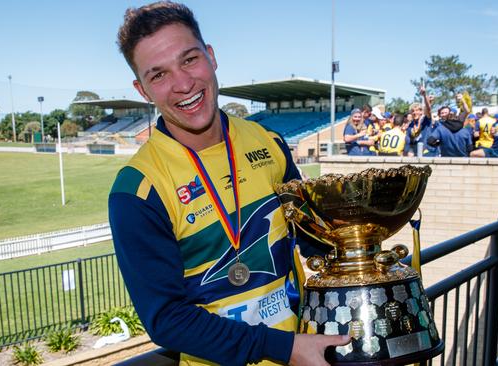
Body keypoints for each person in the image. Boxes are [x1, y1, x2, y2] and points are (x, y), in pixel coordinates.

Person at [108, 3, 348, 366]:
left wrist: (360, 255)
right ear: (142, 90)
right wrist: (283, 348)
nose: (183, 84)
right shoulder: (137, 189)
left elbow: (312, 237)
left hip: (308, 354)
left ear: (211, 56)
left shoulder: (268, 142)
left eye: (189, 60)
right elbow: (167, 319)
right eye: (159, 75)